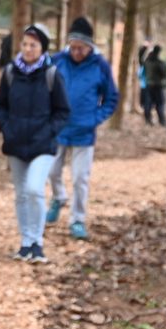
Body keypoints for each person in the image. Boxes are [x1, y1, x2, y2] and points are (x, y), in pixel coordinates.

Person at [0, 24, 70, 263]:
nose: (28, 49)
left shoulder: (51, 75)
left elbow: (62, 111)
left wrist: (49, 132)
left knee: (34, 189)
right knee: (20, 194)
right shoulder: (10, 73)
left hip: (43, 145)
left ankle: (37, 242)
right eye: (25, 44)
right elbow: (2, 106)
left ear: (43, 48)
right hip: (16, 143)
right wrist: (6, 129)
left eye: (33, 45)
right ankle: (25, 242)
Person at [45, 15, 120, 241]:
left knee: (80, 178)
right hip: (57, 129)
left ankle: (77, 219)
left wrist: (95, 118)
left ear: (90, 46)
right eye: (73, 47)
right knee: (51, 171)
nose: (76, 52)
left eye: (81, 48)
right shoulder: (56, 61)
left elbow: (111, 98)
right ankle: (58, 197)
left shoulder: (100, 66)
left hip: (84, 132)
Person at [142, 44, 166, 128]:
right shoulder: (158, 62)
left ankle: (148, 119)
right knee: (159, 104)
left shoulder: (147, 61)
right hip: (157, 85)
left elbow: (142, 63)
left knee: (148, 103)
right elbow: (164, 73)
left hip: (148, 85)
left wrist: (144, 48)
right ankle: (162, 121)